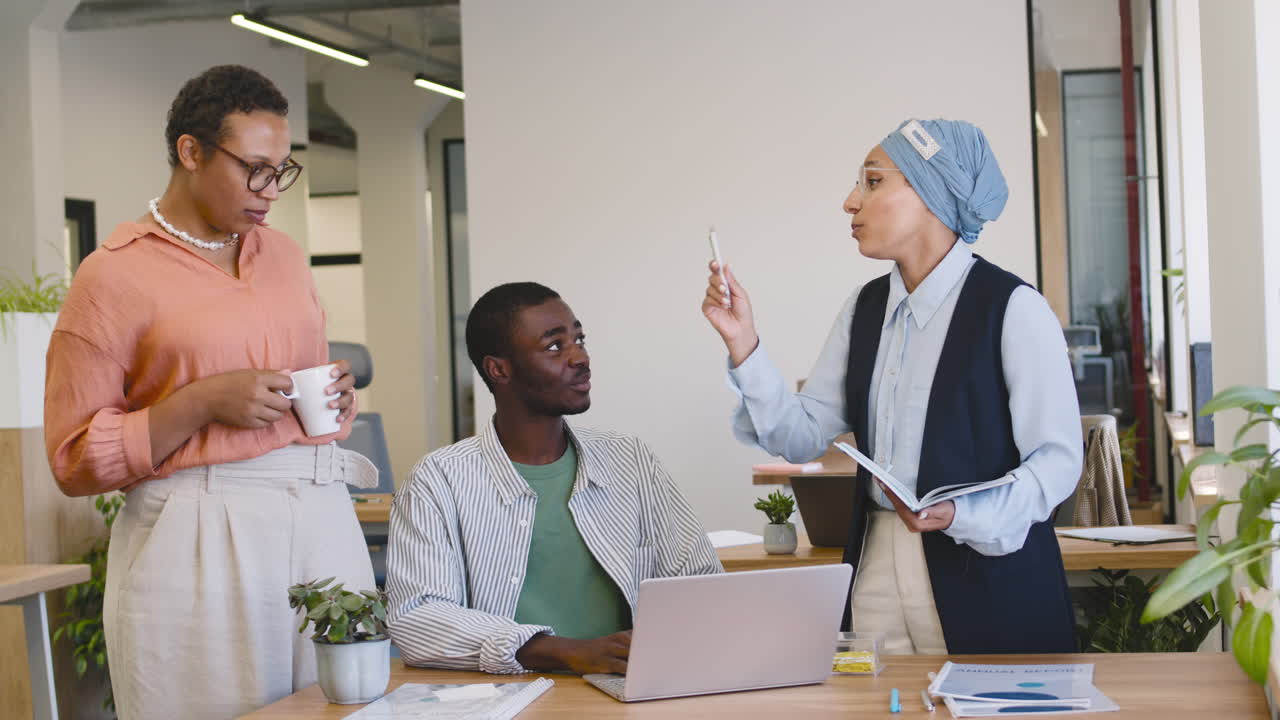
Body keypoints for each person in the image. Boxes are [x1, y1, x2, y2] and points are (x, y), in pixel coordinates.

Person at [44, 65, 378, 719]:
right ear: (190, 152)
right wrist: (196, 403)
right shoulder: (113, 276)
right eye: (254, 167)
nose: (270, 190)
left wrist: (336, 394)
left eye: (281, 169)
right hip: (197, 526)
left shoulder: (282, 256)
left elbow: (305, 395)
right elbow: (74, 456)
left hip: (320, 510)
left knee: (348, 704)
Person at [701, 118, 1082, 655]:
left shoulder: (1014, 310)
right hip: (876, 568)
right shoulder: (864, 309)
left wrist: (962, 513)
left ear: (932, 193)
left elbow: (1058, 463)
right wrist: (744, 344)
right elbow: (800, 435)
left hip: (988, 572)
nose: (850, 201)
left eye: (873, 181)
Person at [387, 282, 722, 674]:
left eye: (579, 339)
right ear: (499, 370)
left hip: (628, 690)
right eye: (554, 346)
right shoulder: (439, 479)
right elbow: (418, 618)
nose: (580, 357)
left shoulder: (631, 460)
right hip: (506, 696)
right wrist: (563, 651)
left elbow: (701, 582)